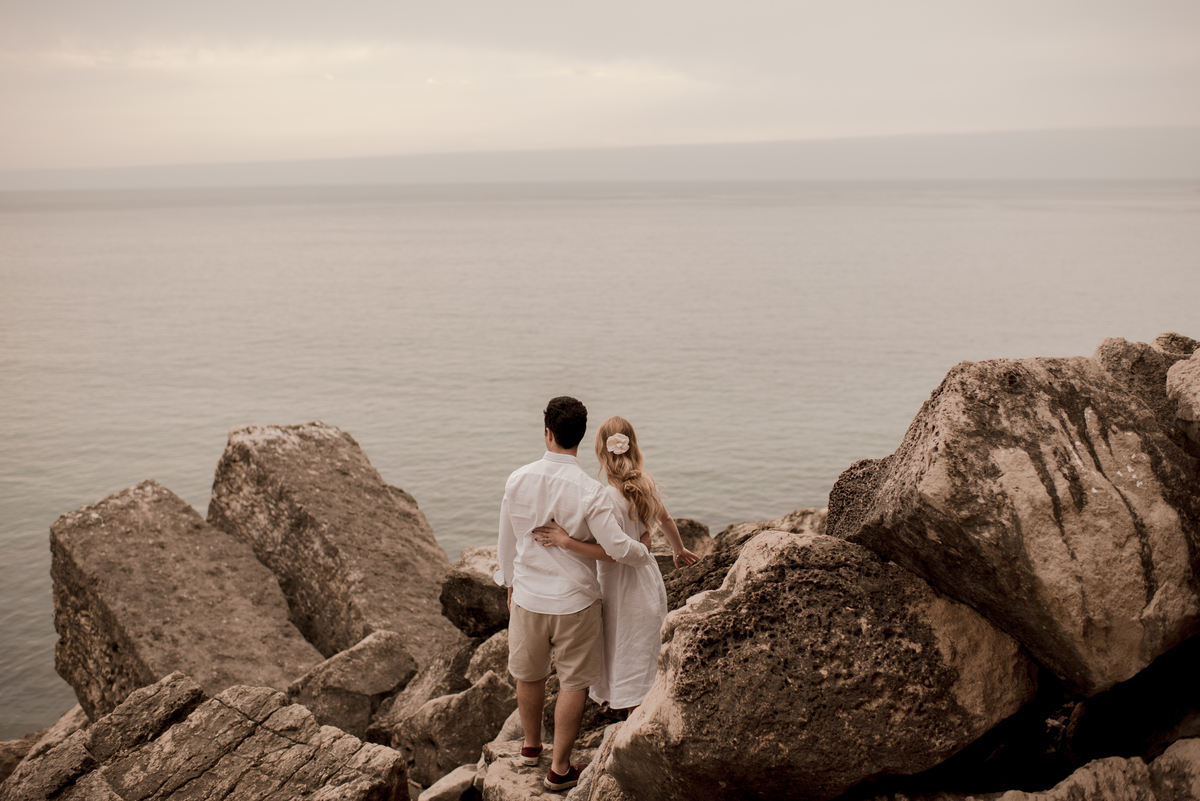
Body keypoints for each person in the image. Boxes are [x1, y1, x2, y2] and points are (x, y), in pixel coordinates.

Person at [497, 397, 655, 792]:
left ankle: (530, 747)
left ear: (547, 433)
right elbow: (618, 549)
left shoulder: (517, 478)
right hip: (576, 601)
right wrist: (645, 551)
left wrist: (511, 582)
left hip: (530, 596)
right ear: (581, 438)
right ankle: (560, 769)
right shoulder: (591, 492)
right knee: (573, 683)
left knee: (529, 673)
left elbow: (506, 539)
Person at [534, 415, 700, 712]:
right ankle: (646, 704)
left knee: (620, 642)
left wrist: (565, 541)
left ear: (600, 452)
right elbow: (666, 520)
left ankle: (626, 709)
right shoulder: (645, 484)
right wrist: (678, 549)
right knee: (644, 642)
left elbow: (610, 552)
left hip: (616, 584)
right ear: (633, 447)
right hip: (646, 579)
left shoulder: (605, 497)